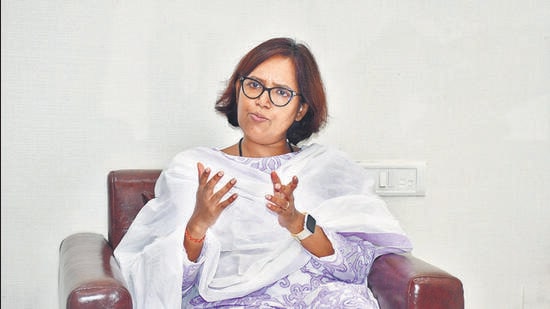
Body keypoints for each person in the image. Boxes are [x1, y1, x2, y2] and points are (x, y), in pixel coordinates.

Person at [114, 37, 412, 309]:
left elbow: (355, 269)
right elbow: (167, 285)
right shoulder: (194, 169)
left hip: (317, 297)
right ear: (238, 89)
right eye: (254, 85)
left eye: (281, 92)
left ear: (301, 110)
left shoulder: (326, 168)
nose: (263, 100)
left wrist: (297, 223)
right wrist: (198, 225)